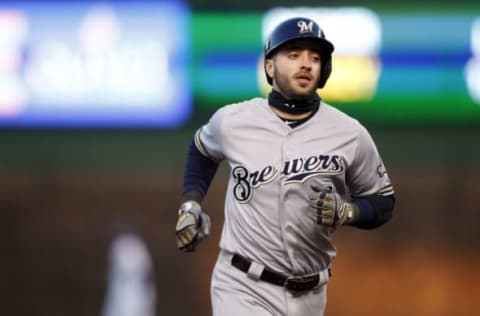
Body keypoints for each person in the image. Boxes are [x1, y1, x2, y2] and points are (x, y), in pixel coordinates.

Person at [175, 17, 395, 316]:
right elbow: (201, 150)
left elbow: (383, 201)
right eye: (293, 55)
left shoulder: (349, 133)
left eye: (314, 57)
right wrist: (190, 205)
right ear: (269, 66)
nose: (305, 64)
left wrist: (348, 212)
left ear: (324, 70)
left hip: (312, 294)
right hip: (241, 285)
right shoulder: (233, 121)